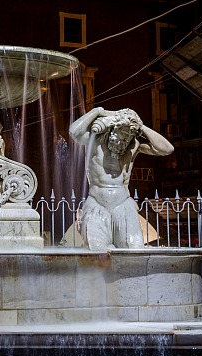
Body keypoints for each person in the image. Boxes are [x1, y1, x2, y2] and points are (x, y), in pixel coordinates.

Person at [69, 106, 174, 250]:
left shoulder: (133, 145)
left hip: (123, 204)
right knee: (95, 251)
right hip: (97, 203)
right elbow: (74, 132)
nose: (124, 140)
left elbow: (167, 149)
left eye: (129, 137)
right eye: (123, 134)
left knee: (134, 248)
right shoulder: (95, 141)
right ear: (113, 129)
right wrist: (97, 112)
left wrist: (140, 126)